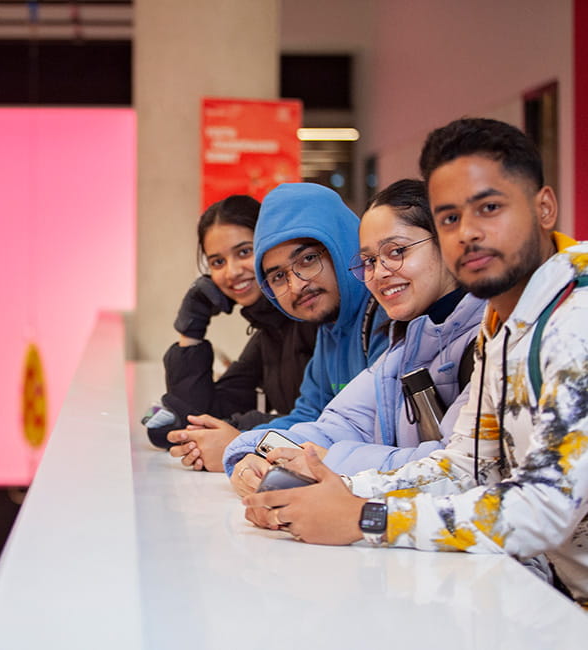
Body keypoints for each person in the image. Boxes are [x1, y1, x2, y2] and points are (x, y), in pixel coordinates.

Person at [243, 117, 588, 606]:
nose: (466, 234)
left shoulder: (576, 321)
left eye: (488, 208)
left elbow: (544, 508)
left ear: (544, 207)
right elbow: (466, 467)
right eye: (448, 218)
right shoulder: (504, 326)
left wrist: (366, 517)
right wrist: (329, 490)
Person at [226, 179, 485, 495]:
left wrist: (330, 462)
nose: (380, 273)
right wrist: (255, 453)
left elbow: (461, 472)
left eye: (397, 251)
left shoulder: (494, 342)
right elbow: (336, 425)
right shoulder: (405, 344)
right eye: (370, 261)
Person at [167, 183, 390, 471]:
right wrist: (237, 442)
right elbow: (309, 417)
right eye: (278, 276)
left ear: (342, 243)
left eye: (308, 259)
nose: (297, 285)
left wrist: (245, 443)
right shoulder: (326, 325)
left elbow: (380, 439)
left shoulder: (388, 318)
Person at [145, 195, 319, 449]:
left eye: (244, 252)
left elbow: (329, 424)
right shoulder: (268, 332)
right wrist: (191, 328)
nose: (232, 271)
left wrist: (236, 428)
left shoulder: (314, 316)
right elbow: (197, 413)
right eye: (218, 262)